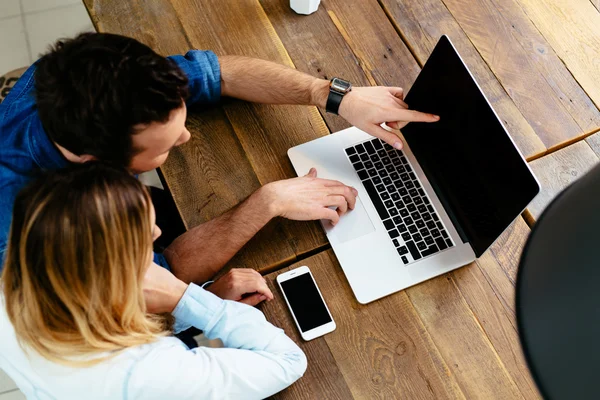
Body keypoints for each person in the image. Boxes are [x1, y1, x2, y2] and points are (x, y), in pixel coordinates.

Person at [0, 32, 439, 286]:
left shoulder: (86, 79)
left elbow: (218, 73)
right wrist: (266, 203)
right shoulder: (32, 232)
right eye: (167, 146)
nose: (187, 137)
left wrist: (334, 96)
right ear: (96, 161)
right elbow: (161, 274)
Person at [0, 162, 306, 399]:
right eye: (146, 239)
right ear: (114, 271)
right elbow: (287, 361)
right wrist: (187, 298)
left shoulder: (14, 291)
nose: (158, 234)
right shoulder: (146, 373)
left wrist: (204, 298)